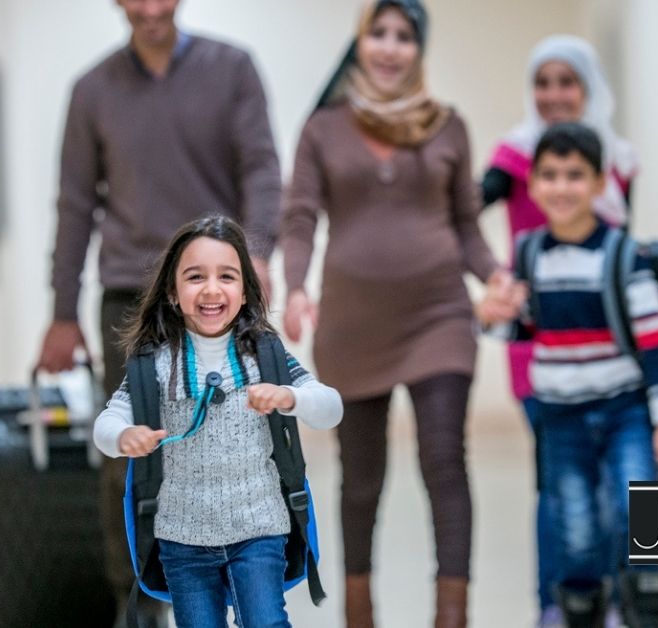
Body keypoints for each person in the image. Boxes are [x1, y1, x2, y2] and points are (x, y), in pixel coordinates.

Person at [35, 0, 283, 621]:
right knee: (129, 446)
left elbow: (260, 170)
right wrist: (63, 312)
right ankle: (140, 597)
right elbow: (73, 205)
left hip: (218, 290)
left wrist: (256, 258)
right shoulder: (92, 90)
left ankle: (232, 582)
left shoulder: (233, 70)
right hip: (129, 296)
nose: (150, 8)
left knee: (231, 438)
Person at [279, 1, 507, 626]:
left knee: (443, 460)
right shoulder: (322, 128)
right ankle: (360, 610)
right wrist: (295, 287)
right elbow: (299, 217)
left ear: (418, 50)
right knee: (361, 481)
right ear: (359, 43)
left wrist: (497, 277)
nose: (388, 47)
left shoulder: (447, 125)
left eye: (403, 36)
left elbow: (467, 227)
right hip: (353, 327)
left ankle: (450, 613)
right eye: (377, 33)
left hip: (440, 317)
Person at [477, 123, 658, 628]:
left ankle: (647, 605)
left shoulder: (623, 256)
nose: (561, 186)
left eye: (576, 175)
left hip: (624, 411)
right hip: (560, 418)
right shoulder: (530, 253)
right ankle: (582, 611)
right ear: (533, 183)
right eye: (549, 175)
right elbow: (522, 328)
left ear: (600, 183)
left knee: (639, 514)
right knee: (573, 528)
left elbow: (657, 344)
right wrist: (489, 315)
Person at [92, 215, 342, 628]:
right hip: (182, 539)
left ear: (245, 291)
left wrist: (290, 397)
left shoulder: (264, 356)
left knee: (265, 621)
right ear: (172, 292)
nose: (211, 289)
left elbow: (330, 405)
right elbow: (107, 422)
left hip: (260, 527)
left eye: (227, 276)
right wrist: (124, 435)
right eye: (195, 277)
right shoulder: (154, 364)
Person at [478, 35, 640, 627]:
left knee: (613, 488)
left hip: (610, 349)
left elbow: (624, 250)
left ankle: (617, 600)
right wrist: (495, 286)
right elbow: (465, 210)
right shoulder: (516, 157)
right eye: (542, 83)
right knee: (558, 485)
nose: (553, 96)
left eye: (565, 82)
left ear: (589, 86)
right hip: (540, 348)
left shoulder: (619, 160)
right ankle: (556, 603)